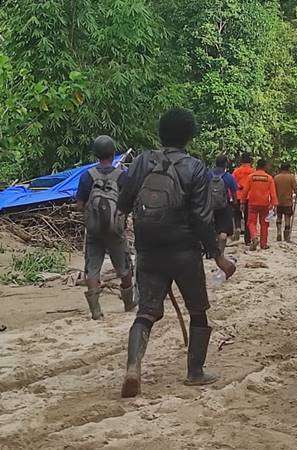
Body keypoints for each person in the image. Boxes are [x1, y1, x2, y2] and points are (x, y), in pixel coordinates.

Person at [117, 108, 237, 398]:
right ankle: (195, 372)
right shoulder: (195, 168)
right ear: (190, 135)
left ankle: (133, 367)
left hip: (148, 250)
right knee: (198, 311)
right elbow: (200, 217)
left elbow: (123, 203)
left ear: (161, 132)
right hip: (184, 251)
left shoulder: (143, 160)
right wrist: (217, 255)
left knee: (146, 313)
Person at [76, 135, 135, 320]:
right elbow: (128, 203)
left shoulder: (87, 176)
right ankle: (128, 303)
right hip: (115, 230)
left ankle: (95, 310)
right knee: (123, 266)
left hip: (94, 230)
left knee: (92, 267)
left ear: (96, 154)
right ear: (113, 153)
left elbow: (79, 204)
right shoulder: (121, 176)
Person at [241, 158, 278, 250]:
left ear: (257, 166)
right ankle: (263, 244)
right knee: (264, 224)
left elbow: (245, 191)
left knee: (251, 222)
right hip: (265, 204)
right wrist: (274, 205)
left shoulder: (251, 177)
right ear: (265, 166)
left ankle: (254, 237)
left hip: (252, 203)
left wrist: (242, 202)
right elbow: (273, 194)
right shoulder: (269, 178)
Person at [212, 155, 239, 255]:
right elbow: (234, 192)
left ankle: (212, 250)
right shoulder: (228, 177)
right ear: (225, 164)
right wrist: (235, 203)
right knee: (223, 231)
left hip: (210, 206)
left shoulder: (208, 175)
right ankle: (221, 252)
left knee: (212, 229)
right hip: (224, 206)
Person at [273, 162, 297, 243]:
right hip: (288, 202)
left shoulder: (276, 178)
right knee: (287, 218)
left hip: (278, 201)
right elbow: (295, 189)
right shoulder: (291, 177)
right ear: (289, 168)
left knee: (279, 217)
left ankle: (278, 233)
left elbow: (273, 190)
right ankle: (286, 235)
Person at [232, 153, 254, 245]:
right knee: (248, 219)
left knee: (237, 214)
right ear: (250, 161)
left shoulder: (236, 171)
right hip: (249, 197)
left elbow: (232, 183)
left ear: (241, 161)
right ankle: (247, 240)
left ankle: (237, 227)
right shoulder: (253, 171)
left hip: (238, 196)